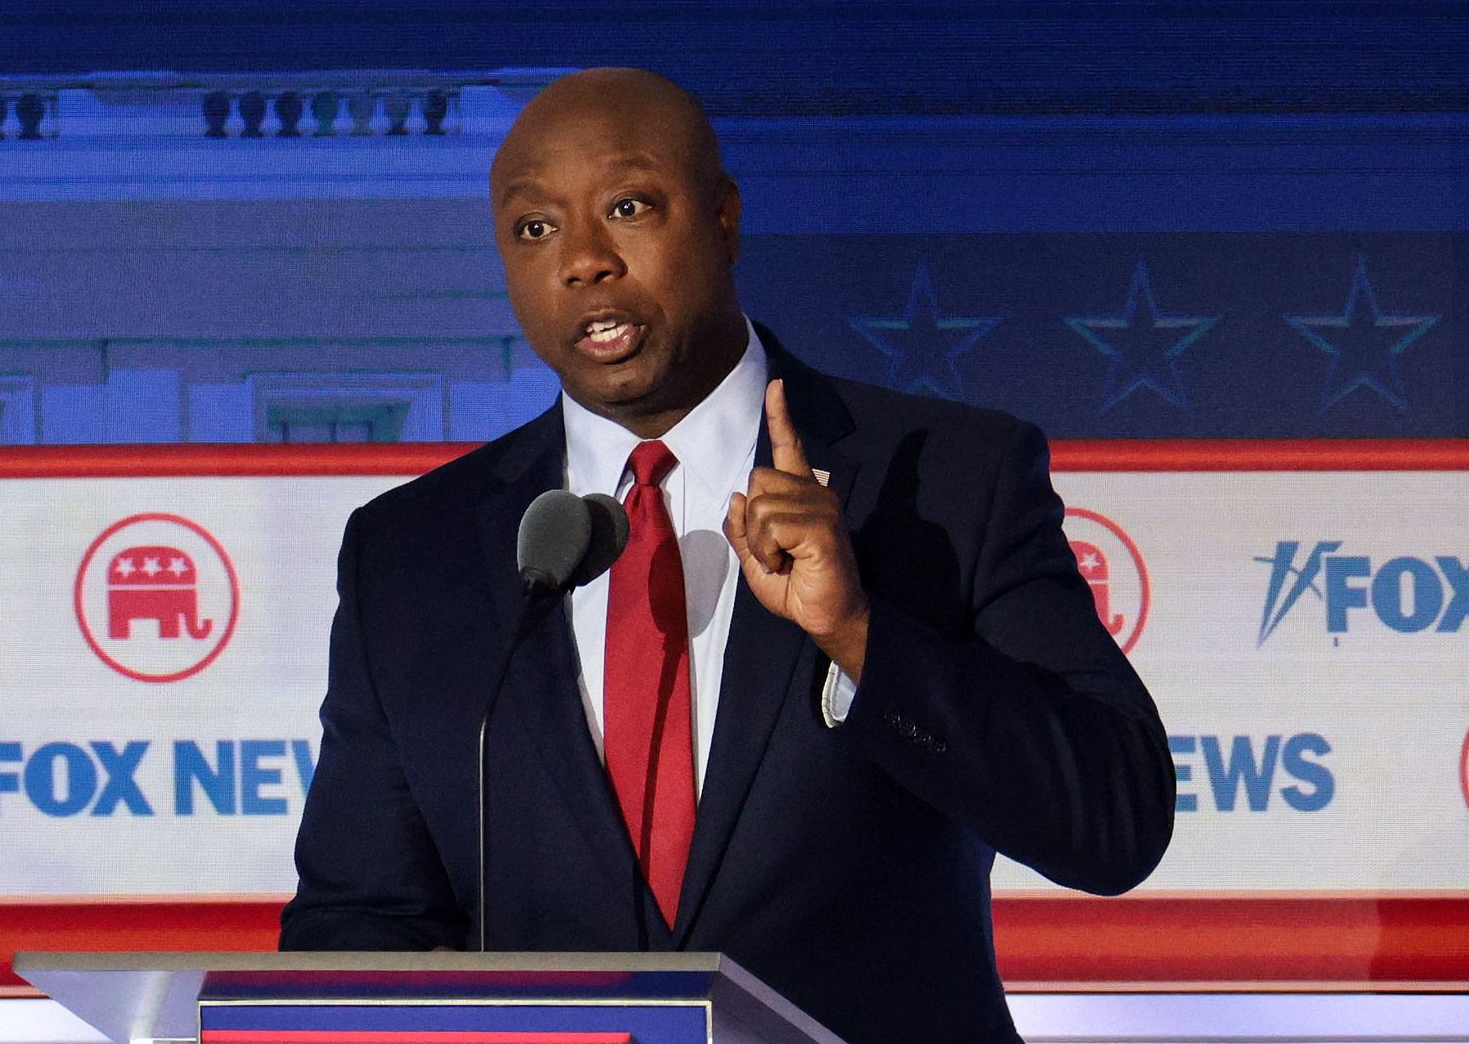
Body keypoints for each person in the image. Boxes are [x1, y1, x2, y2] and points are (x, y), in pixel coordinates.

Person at [281, 68, 1175, 1044]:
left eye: (627, 207)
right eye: (534, 229)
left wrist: (862, 639)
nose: (582, 260)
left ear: (723, 217)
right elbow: (358, 932)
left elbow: (1112, 822)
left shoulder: (946, 477)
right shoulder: (414, 553)